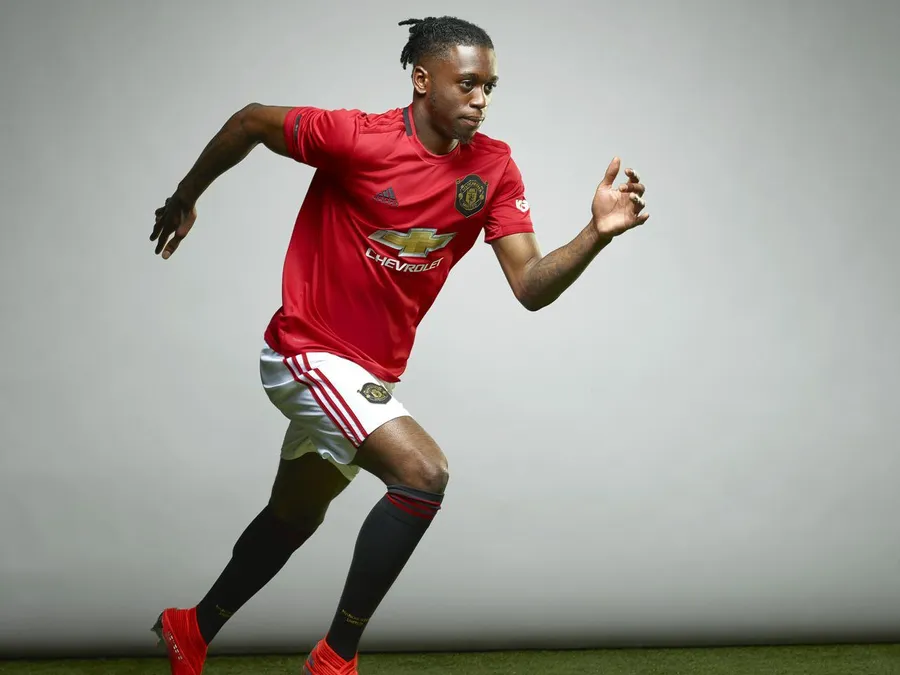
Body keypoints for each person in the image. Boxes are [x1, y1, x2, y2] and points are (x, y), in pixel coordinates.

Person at [148, 15, 649, 675]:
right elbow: (248, 122)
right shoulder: (357, 137)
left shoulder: (494, 168)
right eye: (467, 83)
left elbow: (530, 285)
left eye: (490, 87)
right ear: (422, 79)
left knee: (295, 514)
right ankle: (336, 657)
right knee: (423, 474)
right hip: (306, 350)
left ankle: (192, 626)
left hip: (367, 373)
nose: (481, 99)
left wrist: (595, 233)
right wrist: (185, 197)